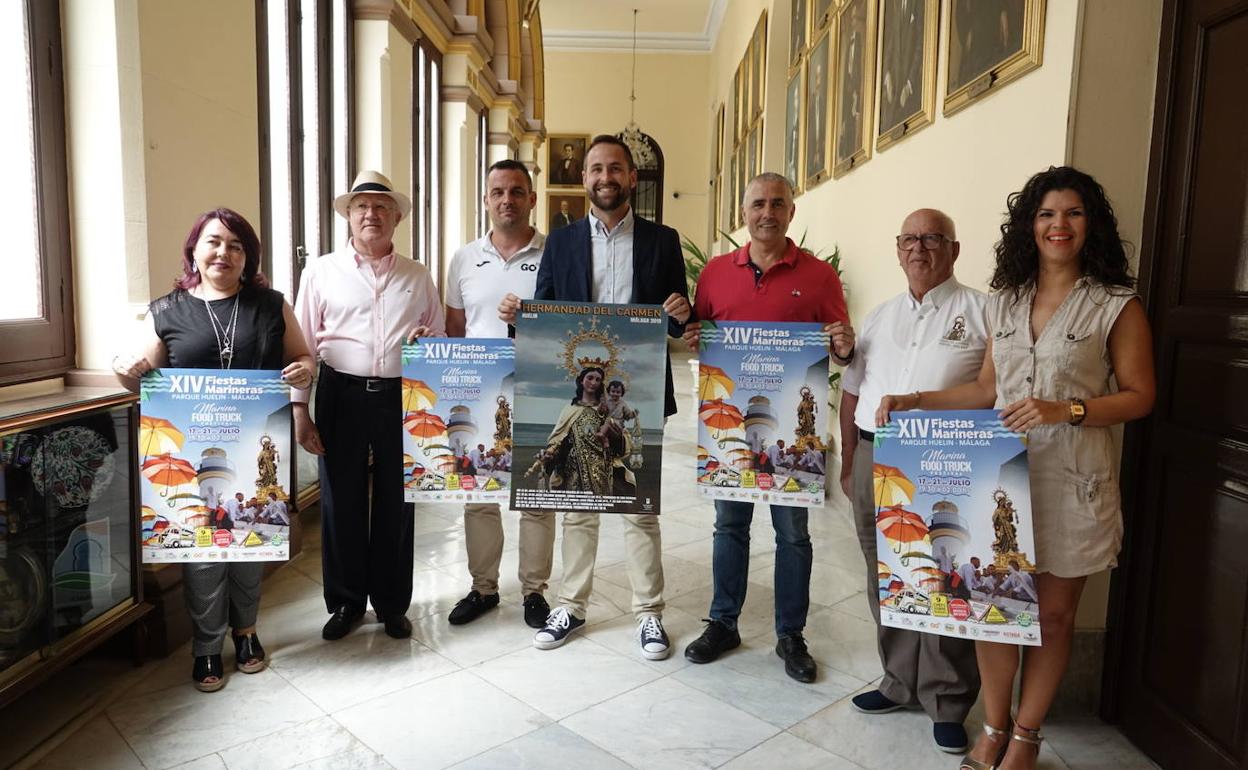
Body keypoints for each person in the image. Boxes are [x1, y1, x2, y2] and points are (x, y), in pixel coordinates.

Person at [875, 168, 1155, 770]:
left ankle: (1026, 737)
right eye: (1047, 214)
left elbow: (1140, 396)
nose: (1060, 226)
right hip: (1000, 483)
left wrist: (1068, 408)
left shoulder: (1114, 304)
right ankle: (994, 729)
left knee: (1052, 618)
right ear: (1030, 225)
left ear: (1091, 224)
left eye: (1074, 214)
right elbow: (984, 389)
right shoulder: (1006, 301)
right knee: (994, 614)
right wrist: (914, 400)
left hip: (1074, 483)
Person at [498, 134, 691, 660]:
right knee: (578, 504)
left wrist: (680, 311)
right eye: (595, 169)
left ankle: (649, 613)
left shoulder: (663, 240)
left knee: (638, 507)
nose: (605, 178)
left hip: (639, 396)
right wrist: (520, 320)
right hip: (581, 398)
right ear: (584, 179)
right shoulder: (559, 244)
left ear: (631, 177)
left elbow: (680, 316)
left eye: (615, 169)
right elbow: (543, 316)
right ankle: (572, 605)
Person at [112, 207, 315, 692]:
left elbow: (303, 355)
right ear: (195, 251)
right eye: (214, 242)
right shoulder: (167, 309)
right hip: (190, 451)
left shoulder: (271, 305)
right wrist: (123, 366)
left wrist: (305, 372)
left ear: (248, 257)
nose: (224, 252)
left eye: (236, 245)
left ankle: (246, 633)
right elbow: (137, 374)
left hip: (259, 446)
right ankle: (206, 647)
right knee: (201, 550)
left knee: (250, 542)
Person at [681, 172, 853, 683]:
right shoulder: (714, 273)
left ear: (791, 212)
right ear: (744, 210)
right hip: (730, 423)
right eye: (758, 204)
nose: (767, 213)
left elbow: (841, 346)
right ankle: (723, 622)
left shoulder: (820, 276)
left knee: (793, 534)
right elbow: (700, 330)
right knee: (728, 525)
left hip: (793, 430)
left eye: (778, 204)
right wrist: (694, 335)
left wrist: (842, 343)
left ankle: (789, 634)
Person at [838, 208, 988, 752]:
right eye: (908, 239)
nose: (918, 248)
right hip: (874, 458)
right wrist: (848, 453)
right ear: (897, 249)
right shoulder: (879, 316)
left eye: (931, 239)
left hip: (946, 463)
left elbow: (996, 391)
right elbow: (853, 389)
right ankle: (898, 680)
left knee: (944, 575)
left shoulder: (982, 312)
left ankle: (948, 697)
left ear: (953, 248)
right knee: (887, 572)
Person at [293, 170, 446, 642]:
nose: (371, 215)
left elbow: (438, 335)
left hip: (403, 396)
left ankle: (392, 603)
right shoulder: (320, 272)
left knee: (399, 501)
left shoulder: (418, 275)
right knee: (341, 501)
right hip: (340, 391)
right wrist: (301, 409)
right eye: (362, 206)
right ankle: (345, 602)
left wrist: (426, 339)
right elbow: (299, 345)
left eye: (381, 207)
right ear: (348, 216)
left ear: (396, 217)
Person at [444, 160, 556, 630]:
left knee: (536, 494)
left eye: (516, 191)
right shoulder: (464, 258)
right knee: (480, 494)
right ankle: (483, 588)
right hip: (481, 393)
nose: (506, 199)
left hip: (537, 388)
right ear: (486, 200)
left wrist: (531, 319)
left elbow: (569, 324)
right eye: (497, 192)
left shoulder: (555, 252)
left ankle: (534, 591)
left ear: (532, 198)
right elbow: (454, 332)